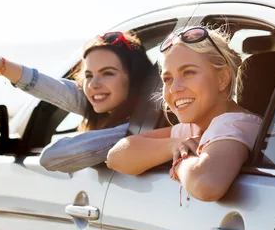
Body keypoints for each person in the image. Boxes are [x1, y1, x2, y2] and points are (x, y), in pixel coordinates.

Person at [0, 26, 154, 172]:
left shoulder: (140, 132)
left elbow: (51, 157)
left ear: (135, 79)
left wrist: (123, 138)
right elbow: (49, 87)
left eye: (108, 73)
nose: (93, 85)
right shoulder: (106, 104)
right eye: (89, 75)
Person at [106, 25, 262, 202]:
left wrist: (181, 160)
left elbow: (205, 185)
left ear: (222, 78)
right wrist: (174, 145)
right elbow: (115, 156)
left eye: (188, 73)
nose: (174, 88)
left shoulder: (235, 124)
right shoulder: (192, 129)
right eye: (167, 79)